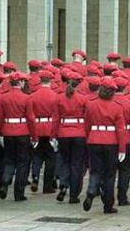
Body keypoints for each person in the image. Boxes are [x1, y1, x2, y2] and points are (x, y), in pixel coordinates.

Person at [83, 78, 126, 214]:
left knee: (95, 170)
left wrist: (88, 138)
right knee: (109, 174)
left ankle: (91, 191)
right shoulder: (117, 107)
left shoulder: (91, 105)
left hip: (94, 140)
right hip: (111, 142)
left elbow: (87, 125)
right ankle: (108, 205)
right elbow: (120, 129)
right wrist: (122, 148)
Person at [0, 72, 36, 201]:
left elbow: (0, 117)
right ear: (20, 82)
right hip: (23, 131)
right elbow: (30, 118)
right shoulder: (26, 98)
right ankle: (18, 193)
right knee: (22, 163)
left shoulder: (4, 97)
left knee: (9, 160)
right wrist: (34, 136)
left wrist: (0, 131)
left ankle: (4, 181)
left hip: (8, 131)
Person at [54, 71, 86, 204]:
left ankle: (63, 185)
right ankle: (74, 194)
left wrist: (53, 135)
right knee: (76, 165)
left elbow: (56, 118)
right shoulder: (82, 99)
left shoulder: (59, 98)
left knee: (65, 162)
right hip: (79, 132)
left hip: (63, 132)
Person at [28, 70, 59, 193]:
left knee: (37, 156)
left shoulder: (33, 96)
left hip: (37, 127)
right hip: (50, 127)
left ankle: (35, 177)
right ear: (50, 81)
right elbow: (56, 116)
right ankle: (47, 185)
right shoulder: (55, 96)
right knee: (51, 158)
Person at [113, 77, 130, 206]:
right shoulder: (129, 103)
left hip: (111, 138)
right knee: (125, 170)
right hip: (126, 137)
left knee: (110, 169)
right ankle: (122, 196)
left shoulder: (110, 102)